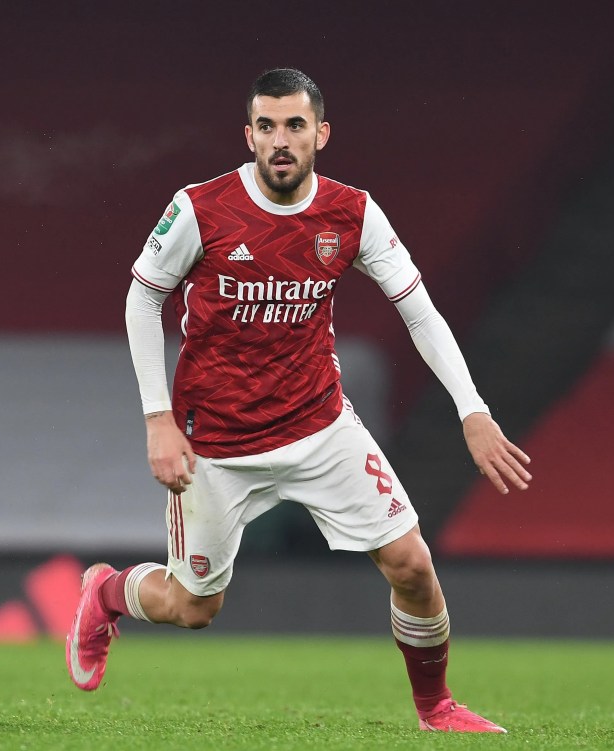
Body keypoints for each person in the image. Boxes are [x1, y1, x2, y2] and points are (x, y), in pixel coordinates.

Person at [66, 68, 532, 733]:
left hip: (321, 425)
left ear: (321, 133)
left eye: (294, 125)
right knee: (195, 606)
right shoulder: (202, 209)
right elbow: (143, 297)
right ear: (249, 133)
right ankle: (105, 593)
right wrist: (158, 419)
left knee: (412, 563)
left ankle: (436, 708)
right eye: (266, 126)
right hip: (216, 442)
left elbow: (420, 312)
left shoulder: (352, 212)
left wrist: (472, 408)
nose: (280, 140)